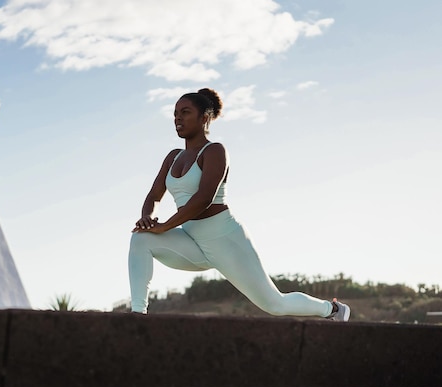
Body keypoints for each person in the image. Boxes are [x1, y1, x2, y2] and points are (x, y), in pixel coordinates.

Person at [128, 88, 350, 321]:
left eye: (185, 112)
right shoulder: (173, 156)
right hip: (192, 240)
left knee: (274, 304)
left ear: (205, 117)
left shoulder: (214, 151)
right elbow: (154, 195)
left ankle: (333, 310)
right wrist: (147, 218)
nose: (177, 118)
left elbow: (204, 199)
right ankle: (137, 314)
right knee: (141, 238)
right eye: (175, 113)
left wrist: (164, 226)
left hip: (225, 238)